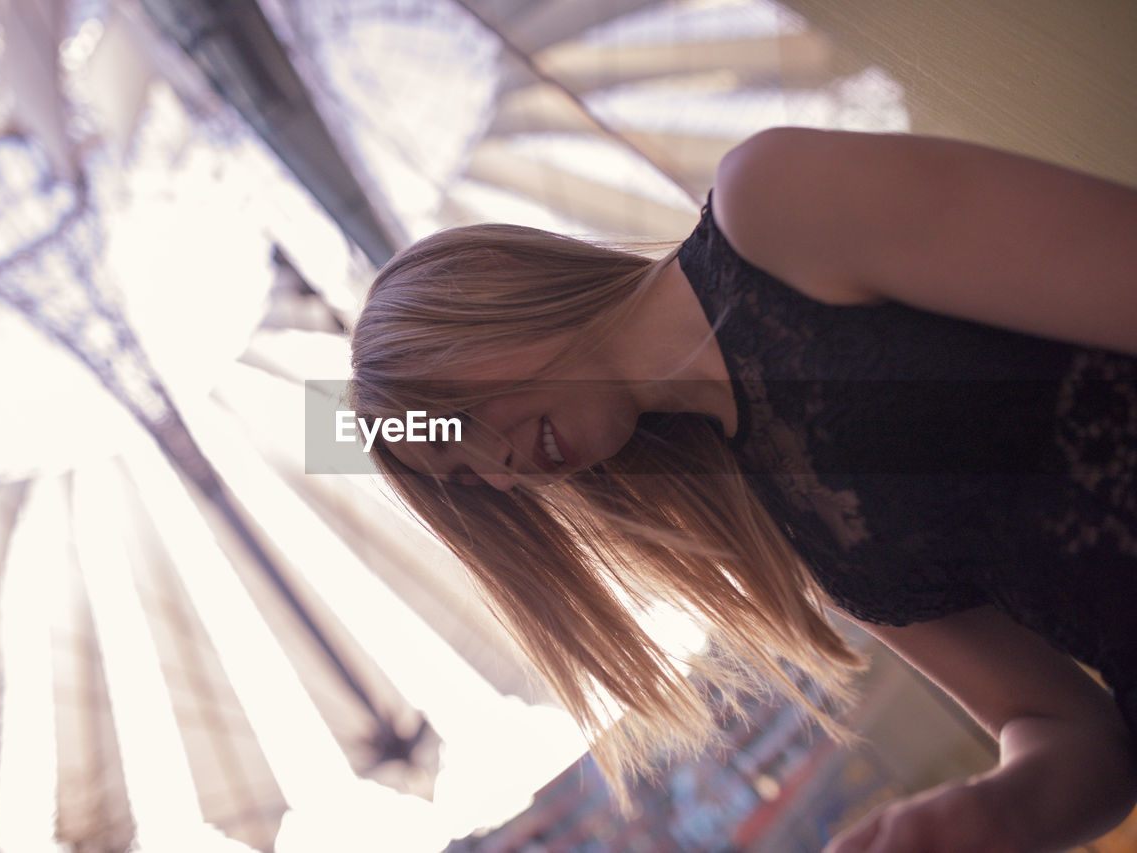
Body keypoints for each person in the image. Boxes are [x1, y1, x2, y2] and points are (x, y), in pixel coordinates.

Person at [347, 126, 1137, 851]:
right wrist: (991, 810)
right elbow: (1072, 734)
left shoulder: (774, 204)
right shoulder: (801, 533)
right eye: (469, 478)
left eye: (453, 418)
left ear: (480, 291)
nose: (500, 471)